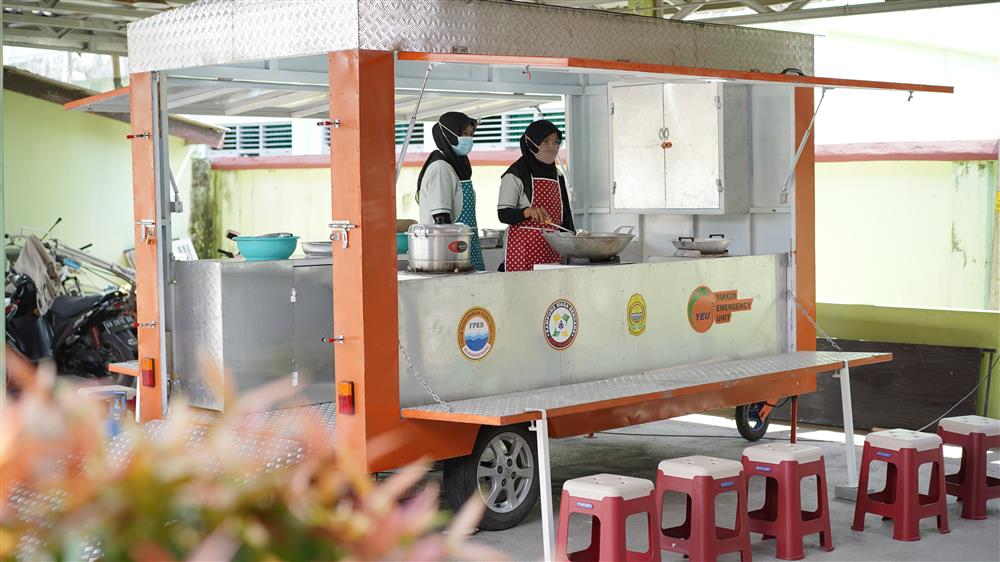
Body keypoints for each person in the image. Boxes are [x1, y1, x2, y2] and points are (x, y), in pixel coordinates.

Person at [497, 119, 574, 272]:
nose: (552, 147)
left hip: (552, 252)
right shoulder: (515, 174)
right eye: (545, 141)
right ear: (531, 143)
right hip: (522, 254)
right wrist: (528, 211)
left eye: (556, 142)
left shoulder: (557, 175)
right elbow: (503, 214)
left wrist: (572, 246)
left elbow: (565, 219)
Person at [416, 111, 485, 271]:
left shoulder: (456, 166)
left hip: (462, 246)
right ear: (449, 135)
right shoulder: (441, 168)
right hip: (447, 252)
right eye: (463, 134)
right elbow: (441, 220)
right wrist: (453, 258)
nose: (468, 139)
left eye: (470, 134)